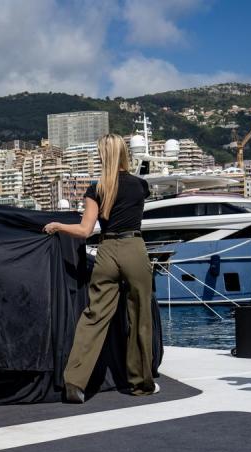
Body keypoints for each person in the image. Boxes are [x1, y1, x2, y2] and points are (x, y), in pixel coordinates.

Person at [42, 133, 157, 403]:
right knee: (140, 318)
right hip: (134, 248)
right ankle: (140, 384)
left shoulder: (97, 189)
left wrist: (58, 226)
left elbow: (84, 231)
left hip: (106, 253)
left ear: (102, 156)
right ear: (124, 154)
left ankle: (74, 383)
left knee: (93, 318)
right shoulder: (140, 185)